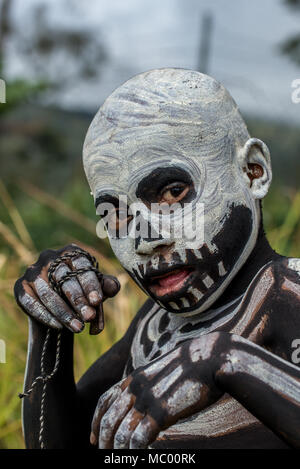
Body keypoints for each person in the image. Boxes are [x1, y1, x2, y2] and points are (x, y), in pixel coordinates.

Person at [15, 69, 300, 449]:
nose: (145, 241)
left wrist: (225, 360)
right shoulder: (155, 326)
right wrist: (51, 324)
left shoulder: (286, 293)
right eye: (115, 216)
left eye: (172, 193)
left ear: (253, 172)